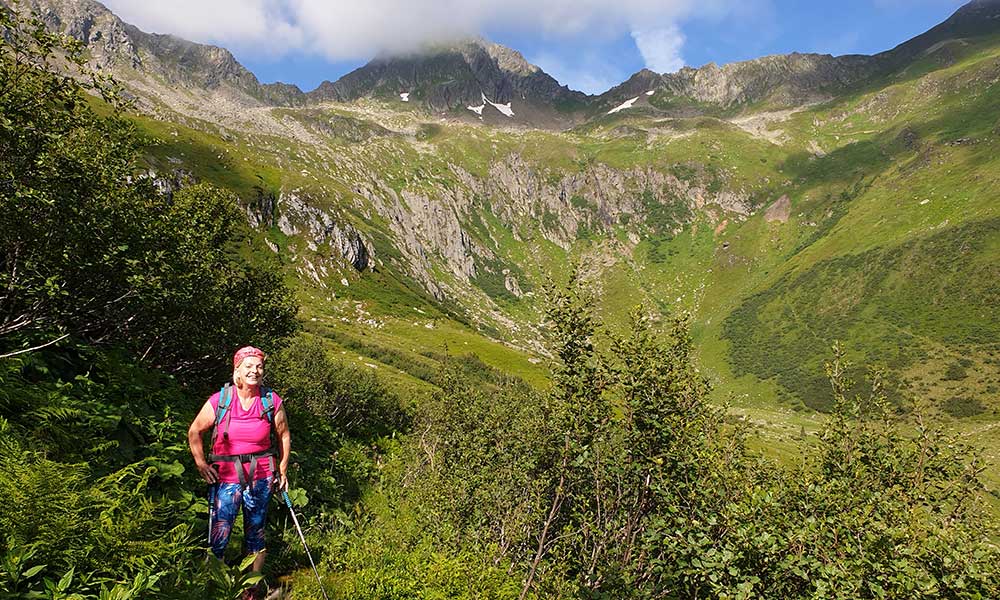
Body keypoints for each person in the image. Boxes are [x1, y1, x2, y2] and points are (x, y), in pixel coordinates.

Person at [188, 346, 291, 596]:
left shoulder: (270, 400)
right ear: (237, 370)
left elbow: (284, 435)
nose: (254, 371)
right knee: (219, 535)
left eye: (258, 367)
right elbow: (195, 432)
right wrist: (201, 464)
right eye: (248, 366)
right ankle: (217, 588)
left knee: (255, 534)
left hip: (261, 476)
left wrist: (283, 469)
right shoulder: (221, 400)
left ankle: (252, 590)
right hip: (226, 477)